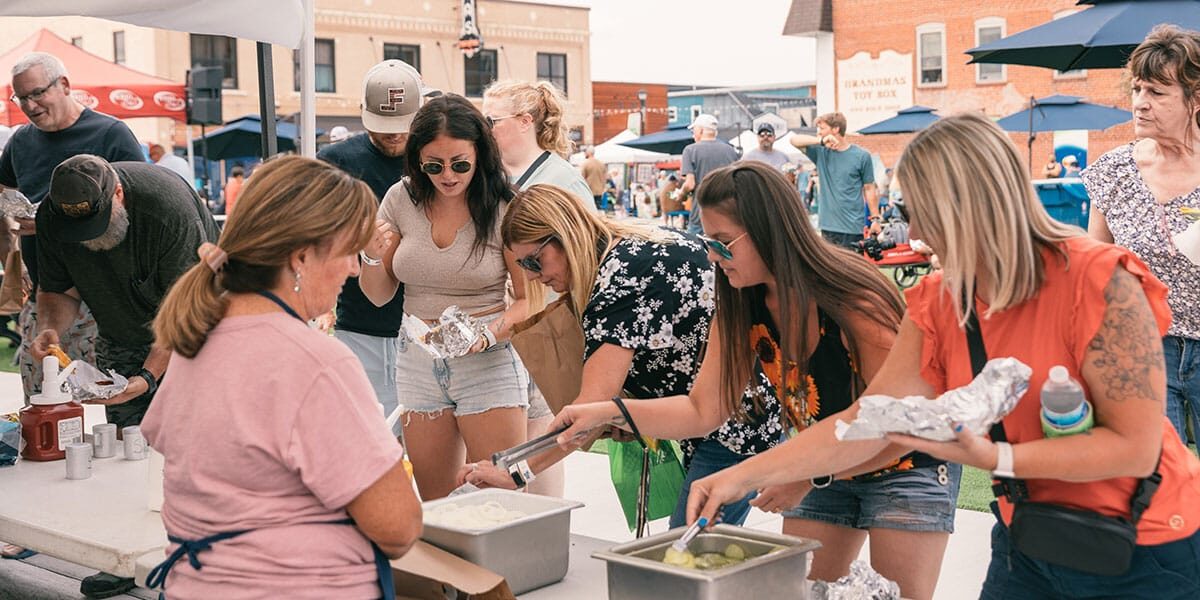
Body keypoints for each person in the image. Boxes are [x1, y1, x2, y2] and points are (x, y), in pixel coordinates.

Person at [685, 113, 1200, 600]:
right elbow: (865, 419)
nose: (914, 236)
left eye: (919, 213)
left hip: (1145, 546)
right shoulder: (938, 299)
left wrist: (998, 459)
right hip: (1030, 537)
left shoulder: (1101, 281)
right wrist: (740, 476)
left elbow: (1135, 447)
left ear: (972, 206)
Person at [543, 162, 960, 597]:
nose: (710, 256)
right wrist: (609, 413)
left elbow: (894, 424)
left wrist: (796, 475)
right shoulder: (741, 300)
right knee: (807, 590)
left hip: (907, 462)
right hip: (824, 461)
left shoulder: (854, 298)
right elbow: (702, 410)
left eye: (723, 243)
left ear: (769, 231)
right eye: (707, 242)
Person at [142, 155, 422, 598]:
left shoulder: (195, 341)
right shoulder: (316, 362)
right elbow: (398, 527)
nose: (353, 268)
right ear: (302, 256)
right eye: (349, 251)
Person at [460, 183, 781, 529]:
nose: (535, 277)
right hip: (729, 418)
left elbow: (587, 412)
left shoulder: (620, 282)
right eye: (523, 266)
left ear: (564, 235)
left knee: (685, 561)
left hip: (734, 427)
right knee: (694, 560)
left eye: (534, 261)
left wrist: (517, 473)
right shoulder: (632, 245)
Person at [25, 154, 217, 597]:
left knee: (192, 451)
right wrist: (52, 326)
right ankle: (127, 557)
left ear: (117, 193)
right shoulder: (52, 215)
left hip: (196, 329)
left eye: (96, 224)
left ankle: (195, 567)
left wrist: (148, 378)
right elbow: (57, 288)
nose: (89, 240)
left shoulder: (167, 209)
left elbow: (184, 313)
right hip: (121, 328)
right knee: (130, 450)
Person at [359, 94, 532, 501]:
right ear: (417, 161)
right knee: (438, 505)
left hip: (488, 362)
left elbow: (529, 301)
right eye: (433, 166)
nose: (448, 176)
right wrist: (369, 255)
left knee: (498, 501)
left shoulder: (506, 205)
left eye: (460, 164)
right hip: (418, 362)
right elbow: (379, 295)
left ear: (480, 155)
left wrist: (487, 335)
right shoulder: (401, 198)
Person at [0, 51, 142, 405]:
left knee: (101, 400)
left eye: (37, 93)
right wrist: (9, 253)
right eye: (21, 97)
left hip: (103, 295)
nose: (29, 105)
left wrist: (49, 223)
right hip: (45, 293)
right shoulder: (20, 142)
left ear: (64, 85)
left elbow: (137, 208)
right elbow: (2, 192)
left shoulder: (111, 134)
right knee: (41, 398)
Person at [1086, 24, 1200, 447]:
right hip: (1145, 347)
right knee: (1157, 475)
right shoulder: (1114, 170)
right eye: (1137, 89)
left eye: (1157, 93)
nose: (1140, 104)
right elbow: (1093, 268)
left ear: (1195, 99)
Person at [482, 78, 594, 496]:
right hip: (516, 325)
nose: (485, 128)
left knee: (544, 437)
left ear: (525, 121)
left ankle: (546, 533)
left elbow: (586, 258)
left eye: (491, 120)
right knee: (525, 440)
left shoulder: (562, 179)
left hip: (548, 325)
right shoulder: (496, 178)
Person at [318, 59, 424, 437]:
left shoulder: (439, 158)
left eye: (402, 127)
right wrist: (356, 243)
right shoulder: (336, 162)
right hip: (361, 325)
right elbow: (313, 239)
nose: (394, 137)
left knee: (429, 454)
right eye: (384, 128)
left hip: (427, 328)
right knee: (362, 442)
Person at [790, 112, 880, 250]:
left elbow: (869, 188)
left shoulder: (862, 156)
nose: (818, 132)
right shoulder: (820, 152)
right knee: (828, 271)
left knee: (852, 270)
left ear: (836, 129)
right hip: (828, 227)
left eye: (822, 128)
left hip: (852, 228)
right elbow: (794, 140)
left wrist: (875, 219)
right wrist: (820, 141)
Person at [680, 113, 738, 234]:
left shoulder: (690, 150)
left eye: (694, 131)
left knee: (697, 251)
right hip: (727, 214)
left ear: (700, 131)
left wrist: (681, 194)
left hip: (701, 215)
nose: (693, 135)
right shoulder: (730, 150)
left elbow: (689, 184)